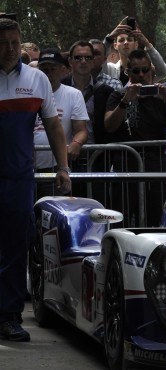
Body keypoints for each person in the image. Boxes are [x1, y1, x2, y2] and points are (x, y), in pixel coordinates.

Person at [0, 17, 69, 342]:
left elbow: (55, 127)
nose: (10, 49)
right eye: (3, 43)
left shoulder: (37, 79)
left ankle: (10, 315)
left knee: (16, 245)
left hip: (18, 178)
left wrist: (63, 166)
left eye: (15, 42)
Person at [105, 49, 166, 225]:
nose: (141, 75)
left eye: (145, 70)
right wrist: (126, 100)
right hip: (127, 163)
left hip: (155, 164)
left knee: (155, 216)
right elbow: (109, 125)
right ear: (128, 72)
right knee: (122, 215)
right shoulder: (118, 95)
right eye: (136, 71)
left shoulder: (160, 96)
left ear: (151, 70)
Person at [33, 48, 89, 198]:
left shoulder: (73, 94)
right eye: (44, 69)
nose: (48, 73)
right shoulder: (28, 92)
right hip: (26, 166)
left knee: (53, 215)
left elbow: (82, 129)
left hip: (56, 168)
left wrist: (76, 143)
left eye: (52, 69)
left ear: (63, 70)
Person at [104, 18, 166, 84]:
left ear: (136, 44)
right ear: (115, 46)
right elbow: (100, 59)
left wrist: (147, 44)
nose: (126, 42)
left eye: (129, 40)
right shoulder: (109, 69)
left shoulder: (145, 71)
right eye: (121, 40)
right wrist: (109, 39)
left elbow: (162, 72)